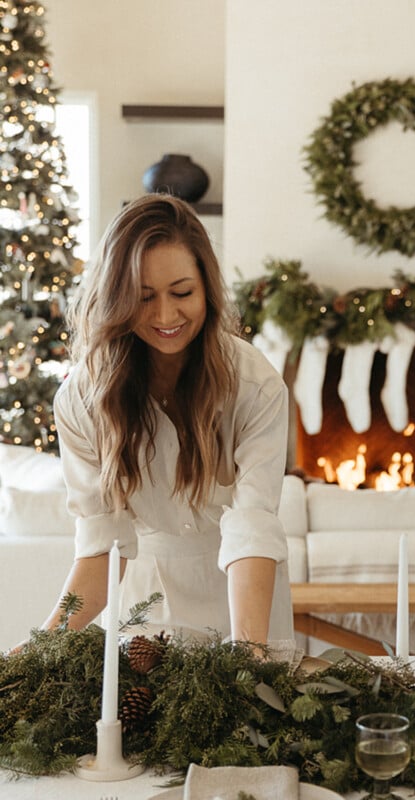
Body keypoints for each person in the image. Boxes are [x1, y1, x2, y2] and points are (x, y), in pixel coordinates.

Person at [37, 193, 294, 650]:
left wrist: (249, 653)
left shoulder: (255, 387)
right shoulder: (82, 399)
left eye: (182, 293)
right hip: (142, 601)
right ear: (116, 298)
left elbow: (252, 526)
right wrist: (43, 646)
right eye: (143, 297)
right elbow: (102, 547)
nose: (165, 316)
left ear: (207, 289)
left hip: (244, 596)